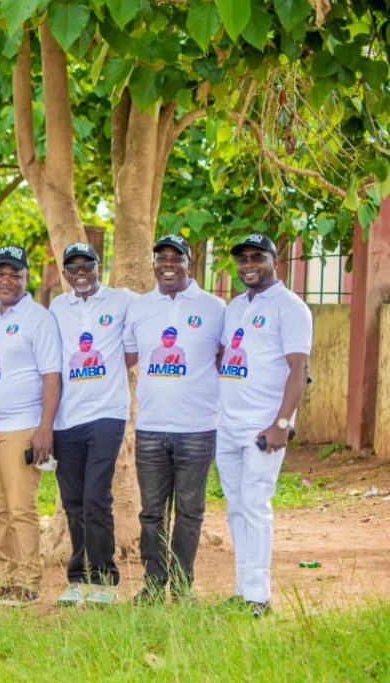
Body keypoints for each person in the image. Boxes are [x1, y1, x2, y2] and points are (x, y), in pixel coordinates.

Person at [122, 234, 226, 604]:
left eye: (175, 257)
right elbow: (126, 359)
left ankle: (182, 587)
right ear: (153, 264)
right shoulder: (139, 308)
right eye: (161, 258)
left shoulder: (214, 308)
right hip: (150, 428)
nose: (167, 264)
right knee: (152, 513)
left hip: (198, 428)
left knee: (190, 511)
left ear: (188, 263)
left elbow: (225, 358)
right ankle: (153, 584)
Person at [216, 233, 312, 617]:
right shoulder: (236, 306)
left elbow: (299, 369)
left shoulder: (290, 308)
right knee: (236, 507)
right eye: (243, 259)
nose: (249, 265)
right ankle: (243, 590)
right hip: (228, 424)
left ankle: (258, 596)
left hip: (263, 427)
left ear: (275, 261)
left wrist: (282, 423)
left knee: (255, 506)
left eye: (257, 257)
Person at [0, 245, 61, 605]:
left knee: (21, 507)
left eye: (15, 274)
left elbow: (51, 376)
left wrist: (44, 429)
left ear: (26, 278)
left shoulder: (39, 319)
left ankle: (28, 581)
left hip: (21, 426)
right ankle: (3, 578)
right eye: (1, 273)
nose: (6, 280)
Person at [49, 242, 135, 607]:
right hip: (66, 418)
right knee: (73, 500)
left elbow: (134, 347)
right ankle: (78, 577)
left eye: (88, 265)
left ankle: (104, 579)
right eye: (74, 267)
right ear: (65, 273)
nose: (81, 272)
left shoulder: (122, 300)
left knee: (96, 497)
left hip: (107, 413)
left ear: (100, 267)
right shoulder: (57, 307)